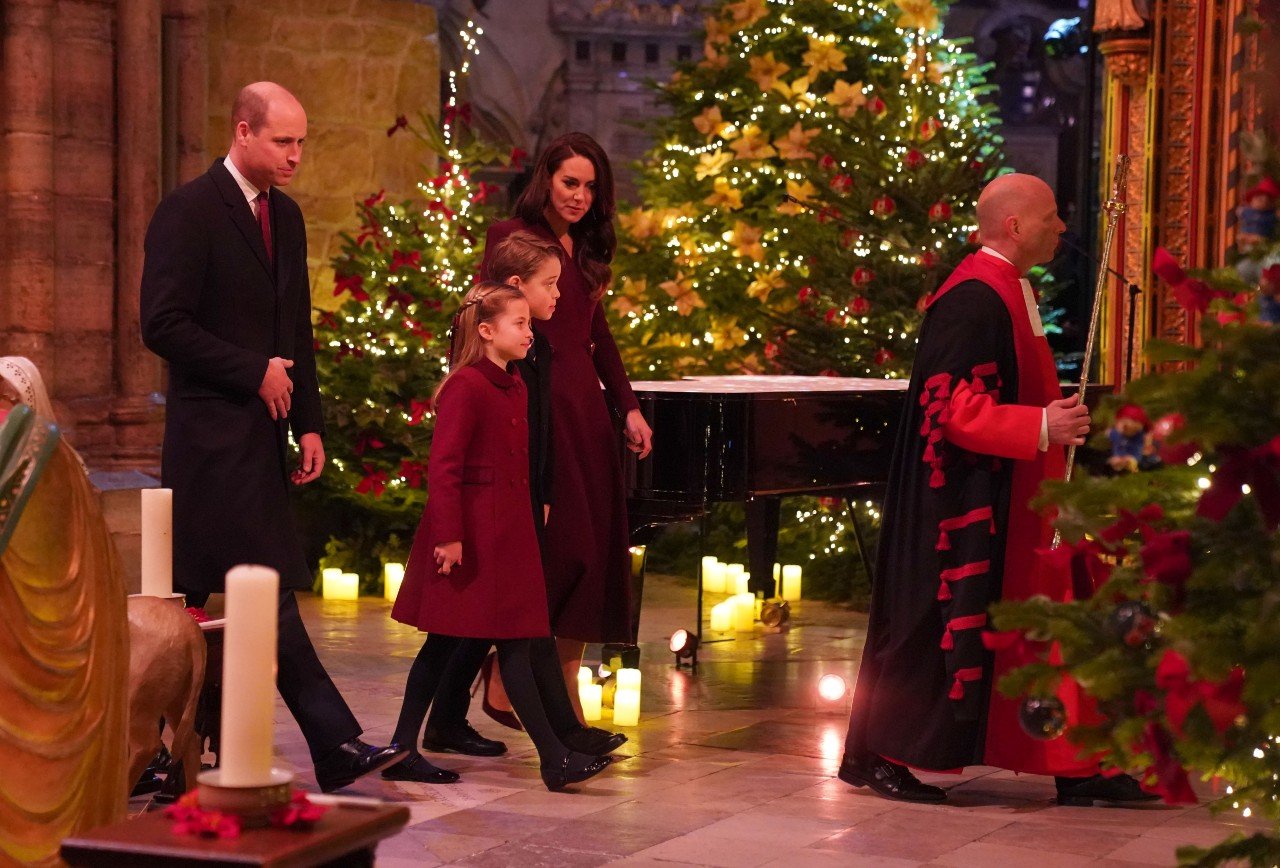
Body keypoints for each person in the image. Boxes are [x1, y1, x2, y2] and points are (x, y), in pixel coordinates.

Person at [838, 173, 1157, 807]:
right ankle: (885, 752)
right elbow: (948, 406)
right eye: (1051, 217)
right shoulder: (973, 298)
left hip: (1021, 493)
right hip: (961, 506)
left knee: (1046, 625)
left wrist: (1051, 421)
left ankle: (1074, 763)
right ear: (1014, 226)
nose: (1062, 229)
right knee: (934, 626)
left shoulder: (1011, 288)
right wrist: (1040, 424)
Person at [139, 82, 404, 793]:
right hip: (209, 441)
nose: (296, 156)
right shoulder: (188, 211)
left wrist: (311, 422)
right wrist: (252, 371)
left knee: (209, 602)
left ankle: (172, 759)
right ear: (243, 132)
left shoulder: (284, 217)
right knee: (262, 589)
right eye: (284, 141)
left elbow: (296, 333)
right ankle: (335, 741)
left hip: (262, 438)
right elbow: (160, 323)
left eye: (302, 143)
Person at [410, 232, 627, 763]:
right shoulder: (498, 352)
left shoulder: (537, 343)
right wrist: (456, 530)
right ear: (514, 289)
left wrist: (546, 489)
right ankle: (555, 741)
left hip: (523, 493)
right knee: (501, 621)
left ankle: (546, 736)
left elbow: (540, 428)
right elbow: (457, 456)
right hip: (495, 503)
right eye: (548, 285)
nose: (558, 295)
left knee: (510, 619)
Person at [472, 133, 652, 721]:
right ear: (546, 178)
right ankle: (511, 682)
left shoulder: (591, 246)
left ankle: (556, 691)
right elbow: (484, 319)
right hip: (536, 402)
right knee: (554, 549)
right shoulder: (512, 239)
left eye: (590, 186)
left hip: (585, 412)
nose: (579, 195)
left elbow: (597, 336)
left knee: (592, 553)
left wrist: (627, 406)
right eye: (569, 182)